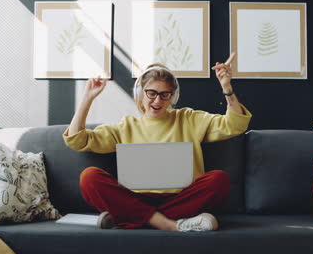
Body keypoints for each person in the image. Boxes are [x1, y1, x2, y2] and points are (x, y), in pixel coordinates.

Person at [63, 52, 252, 232]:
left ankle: (127, 218)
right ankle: (168, 224)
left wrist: (227, 87)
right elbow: (77, 140)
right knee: (89, 177)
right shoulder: (125, 126)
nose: (157, 100)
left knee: (219, 179)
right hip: (134, 198)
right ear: (140, 94)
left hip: (181, 199)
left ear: (172, 97)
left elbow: (234, 125)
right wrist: (87, 98)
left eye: (164, 94)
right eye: (151, 93)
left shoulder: (189, 118)